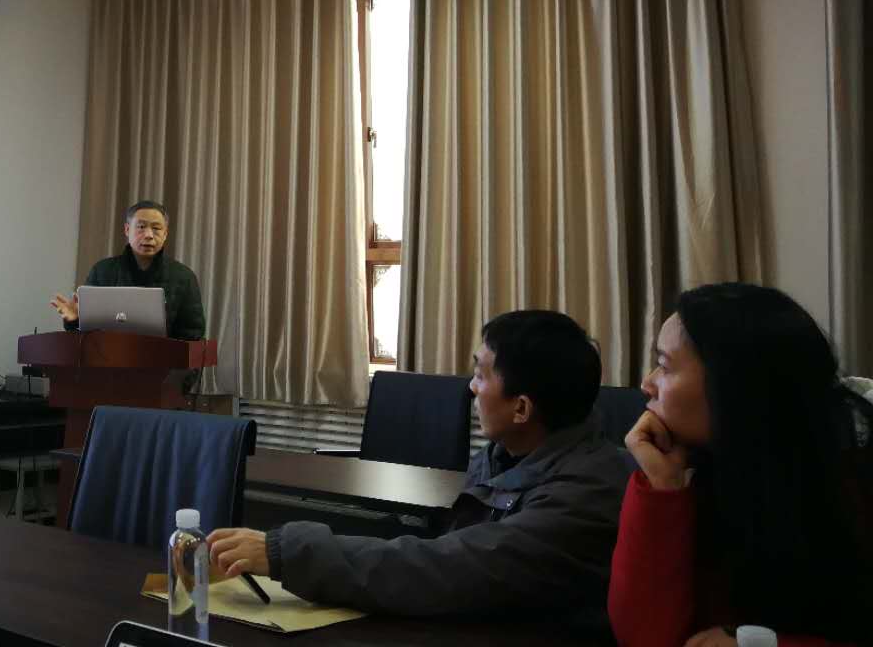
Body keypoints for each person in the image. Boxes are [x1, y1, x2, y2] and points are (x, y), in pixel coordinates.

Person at [208, 310, 631, 619]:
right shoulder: (506, 454)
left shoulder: (587, 492)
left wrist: (285, 552)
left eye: (481, 375)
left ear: (521, 408)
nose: (471, 388)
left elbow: (449, 568)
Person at [609, 283, 873, 647]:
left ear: (732, 384)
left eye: (664, 366)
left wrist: (763, 643)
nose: (646, 384)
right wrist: (661, 488)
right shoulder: (695, 472)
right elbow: (644, 638)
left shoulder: (854, 480)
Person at [50, 200, 205, 341]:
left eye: (156, 228)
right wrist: (76, 320)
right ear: (127, 229)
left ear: (165, 234)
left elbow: (193, 336)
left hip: (163, 361)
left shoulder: (184, 277)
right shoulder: (103, 271)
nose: (149, 235)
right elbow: (85, 337)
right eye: (141, 227)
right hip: (108, 359)